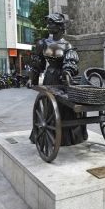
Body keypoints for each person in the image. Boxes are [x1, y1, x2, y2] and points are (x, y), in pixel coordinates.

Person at [29, 13, 87, 146]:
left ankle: (68, 137)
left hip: (64, 79)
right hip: (50, 78)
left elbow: (70, 62)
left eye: (52, 23)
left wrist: (68, 72)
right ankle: (47, 134)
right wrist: (33, 80)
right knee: (50, 107)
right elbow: (37, 64)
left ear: (60, 27)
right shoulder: (44, 43)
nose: (48, 26)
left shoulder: (68, 46)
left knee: (66, 107)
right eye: (48, 23)